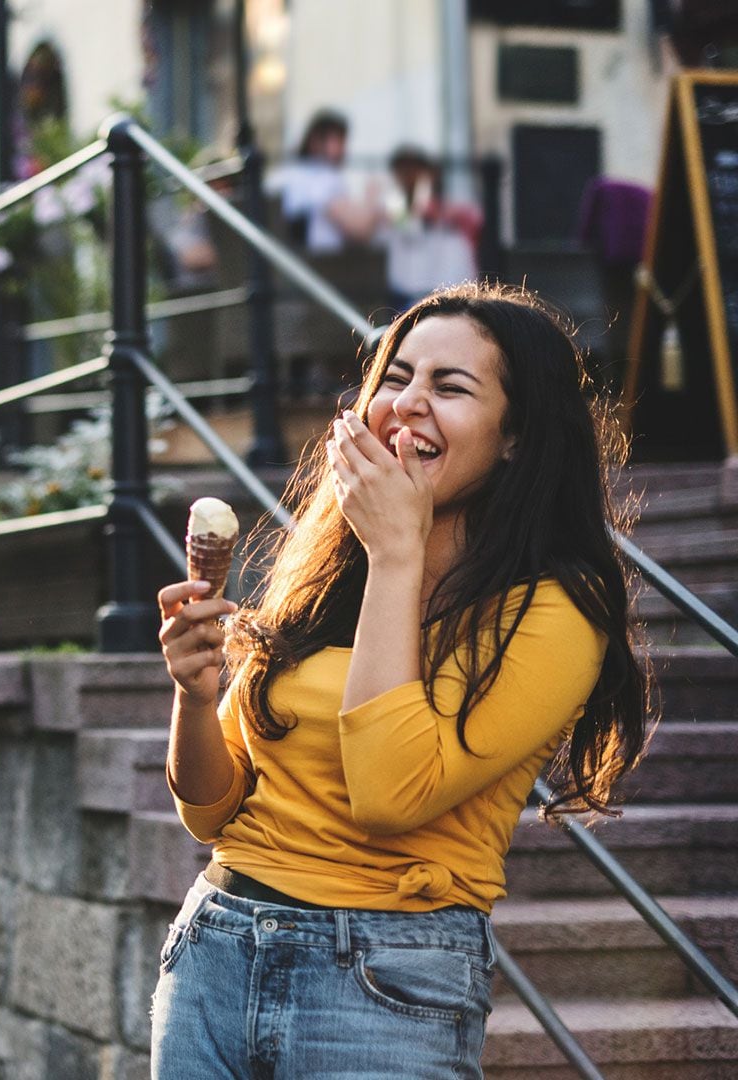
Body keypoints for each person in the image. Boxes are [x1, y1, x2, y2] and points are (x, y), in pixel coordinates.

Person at [150, 282, 650, 1078]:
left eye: (450, 387)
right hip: (216, 949)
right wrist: (196, 693)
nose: (408, 403)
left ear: (516, 436)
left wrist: (395, 553)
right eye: (396, 376)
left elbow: (390, 793)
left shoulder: (554, 612)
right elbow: (212, 812)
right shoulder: (329, 578)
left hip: (385, 977)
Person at [269, 109, 384, 254]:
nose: (344, 150)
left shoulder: (282, 175)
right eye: (339, 140)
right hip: (320, 264)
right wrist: (372, 200)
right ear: (316, 141)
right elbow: (360, 230)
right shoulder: (325, 179)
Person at [385, 146, 482, 310]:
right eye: (403, 171)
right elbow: (406, 223)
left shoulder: (454, 209)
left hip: (455, 297)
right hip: (408, 299)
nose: (409, 176)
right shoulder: (395, 207)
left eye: (415, 169)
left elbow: (473, 221)